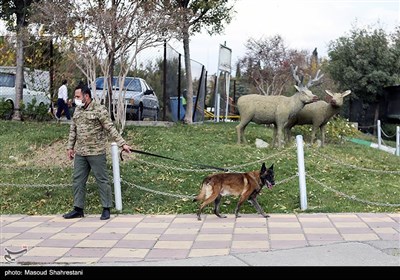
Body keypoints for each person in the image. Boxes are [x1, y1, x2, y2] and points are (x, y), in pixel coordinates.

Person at [63, 85, 132, 220]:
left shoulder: (99, 109)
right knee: (78, 180)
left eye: (78, 96)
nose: (75, 99)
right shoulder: (77, 110)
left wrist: (122, 144)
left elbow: (110, 128)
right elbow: (73, 130)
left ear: (86, 96)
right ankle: (78, 208)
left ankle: (106, 208)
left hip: (96, 152)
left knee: (102, 180)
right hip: (81, 152)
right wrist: (70, 147)